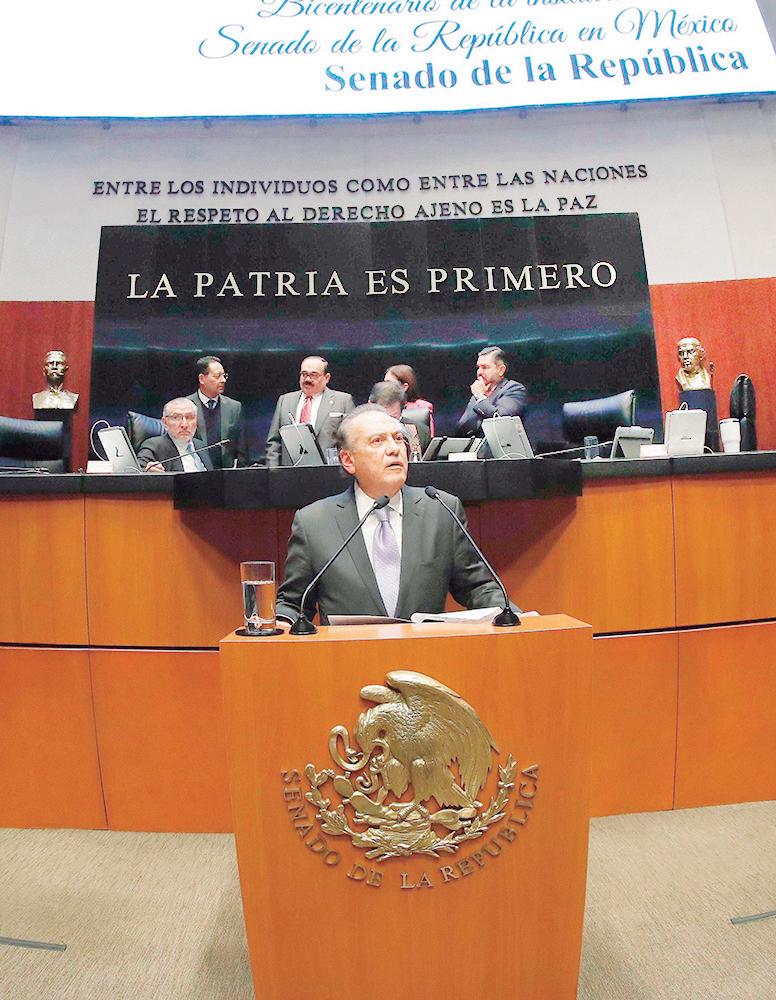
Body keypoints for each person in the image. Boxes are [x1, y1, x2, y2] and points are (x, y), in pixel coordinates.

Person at [275, 405, 511, 624]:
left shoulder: (440, 509)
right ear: (348, 460)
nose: (394, 448)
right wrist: (281, 624)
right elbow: (293, 604)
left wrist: (513, 615)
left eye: (398, 438)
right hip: (348, 654)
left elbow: (477, 588)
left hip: (423, 653)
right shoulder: (314, 522)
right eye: (377, 441)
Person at [265, 355, 355, 467]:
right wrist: (274, 471)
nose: (307, 379)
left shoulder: (343, 401)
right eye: (304, 374)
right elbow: (273, 442)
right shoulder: (285, 400)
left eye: (313, 375)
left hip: (329, 472)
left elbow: (352, 441)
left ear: (327, 378)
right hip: (290, 472)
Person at [186, 355, 248, 468]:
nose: (223, 380)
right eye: (217, 376)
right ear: (202, 379)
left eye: (224, 375)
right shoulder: (185, 406)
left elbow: (241, 449)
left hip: (226, 474)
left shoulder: (234, 407)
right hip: (196, 472)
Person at [455, 346, 526, 437]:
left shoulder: (514, 389)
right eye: (478, 367)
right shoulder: (477, 395)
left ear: (501, 370)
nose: (479, 372)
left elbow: (500, 419)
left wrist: (480, 397)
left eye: (485, 367)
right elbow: (461, 429)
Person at [136, 398, 214, 473]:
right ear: (165, 423)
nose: (184, 425)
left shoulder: (201, 446)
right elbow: (136, 472)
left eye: (189, 417)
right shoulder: (154, 446)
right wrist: (148, 473)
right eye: (176, 417)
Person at [368, 379, 429, 456]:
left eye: (393, 418)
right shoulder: (358, 432)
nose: (388, 423)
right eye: (383, 416)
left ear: (403, 407)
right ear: (370, 405)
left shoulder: (421, 432)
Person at [385, 364, 435, 435]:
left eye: (389, 383)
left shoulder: (422, 407)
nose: (385, 386)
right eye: (384, 382)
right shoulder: (380, 405)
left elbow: (427, 437)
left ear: (404, 387)